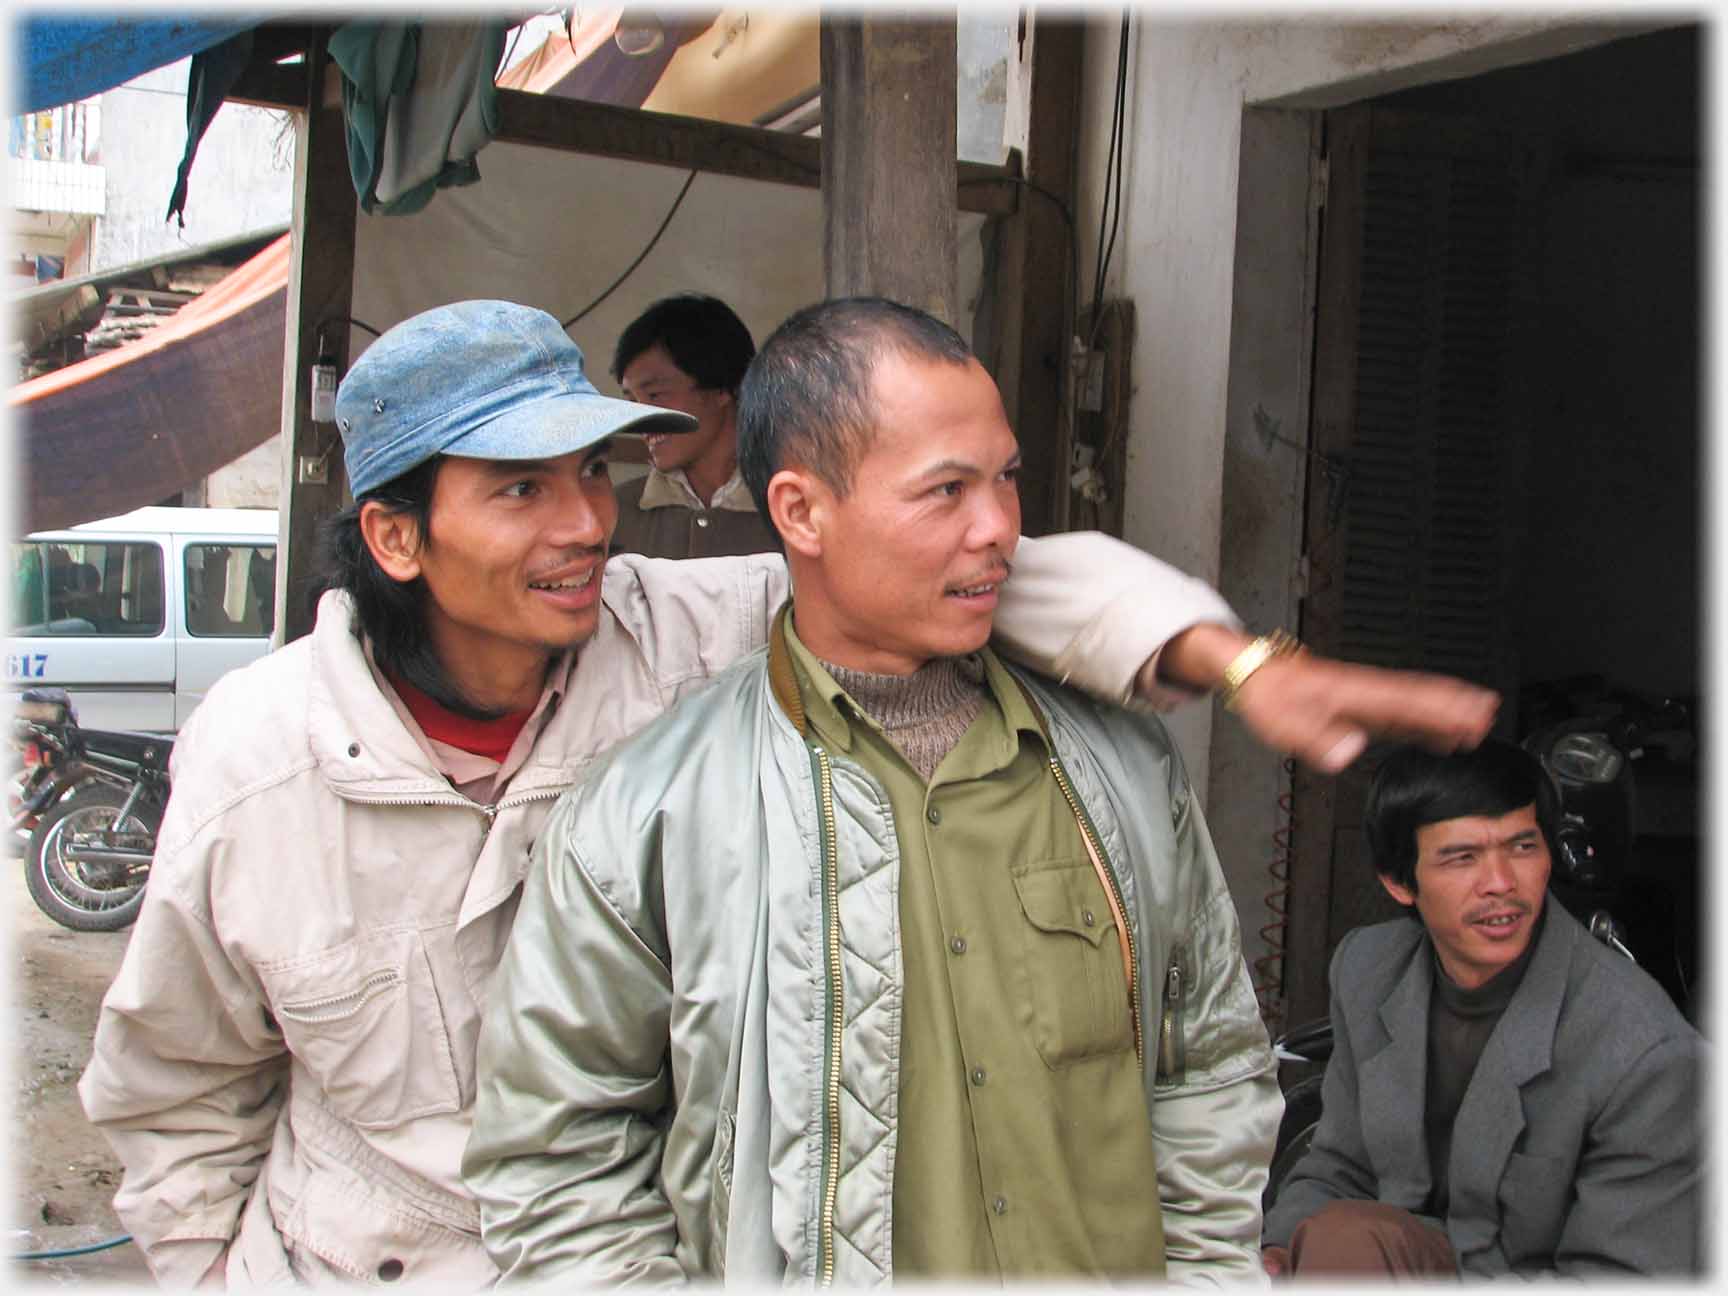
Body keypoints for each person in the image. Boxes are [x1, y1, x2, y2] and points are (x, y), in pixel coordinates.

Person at [77, 298, 1492, 1289]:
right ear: (394, 534)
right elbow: (177, 1099)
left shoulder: (679, 630)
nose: (584, 522)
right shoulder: (259, 766)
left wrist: (1238, 662)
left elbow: (978, 571)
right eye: (517, 491)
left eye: (590, 470)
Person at [465, 298, 1282, 1282]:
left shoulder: (1124, 773)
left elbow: (1211, 1073)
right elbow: (560, 1170)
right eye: (945, 492)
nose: (999, 530)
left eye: (1008, 479)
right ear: (801, 512)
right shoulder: (651, 814)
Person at [1261, 740, 1703, 1280]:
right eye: (1462, 857)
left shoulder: (1645, 1050)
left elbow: (1623, 1276)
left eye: (1522, 847)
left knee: (1347, 1243)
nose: (1501, 884)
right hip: (1396, 1260)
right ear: (1400, 882)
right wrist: (1279, 1252)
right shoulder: (1368, 970)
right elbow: (1339, 1166)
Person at [610, 292, 777, 557]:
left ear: (723, 388)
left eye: (655, 395)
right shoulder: (613, 515)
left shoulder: (794, 507)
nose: (641, 417)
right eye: (632, 400)